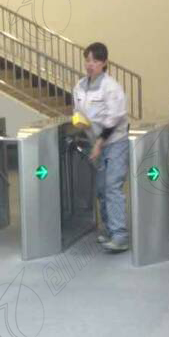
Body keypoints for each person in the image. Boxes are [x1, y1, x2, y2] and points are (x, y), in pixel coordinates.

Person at [72, 42, 130, 252]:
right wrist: (79, 123)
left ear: (104, 63)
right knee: (101, 189)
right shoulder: (80, 86)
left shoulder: (111, 87)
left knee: (112, 186)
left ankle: (120, 235)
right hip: (94, 141)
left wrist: (99, 143)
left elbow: (114, 119)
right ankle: (109, 229)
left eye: (95, 61)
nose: (90, 65)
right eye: (88, 60)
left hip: (115, 142)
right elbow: (78, 111)